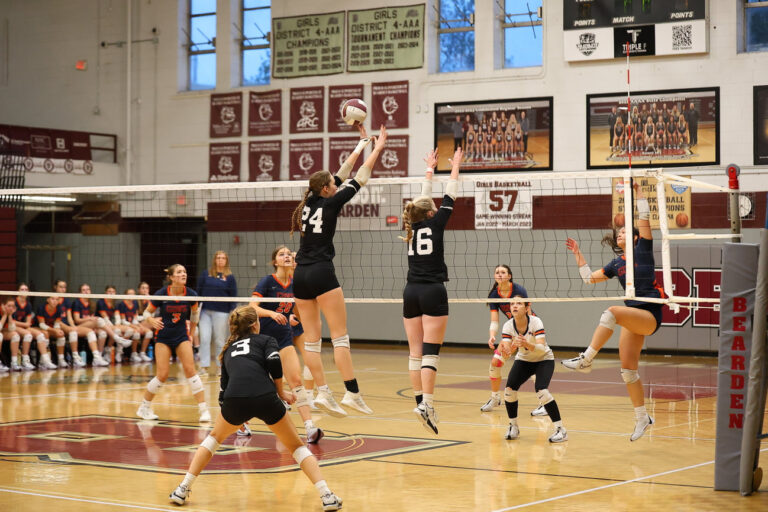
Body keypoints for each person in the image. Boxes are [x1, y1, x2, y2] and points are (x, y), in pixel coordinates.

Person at [168, 306, 342, 510]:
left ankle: (182, 488)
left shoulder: (228, 349)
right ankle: (326, 496)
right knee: (296, 447)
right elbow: (274, 362)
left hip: (234, 400)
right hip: (265, 397)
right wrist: (281, 393)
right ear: (255, 324)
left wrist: (235, 417)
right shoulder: (267, 340)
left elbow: (223, 390)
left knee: (213, 438)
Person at [290, 124, 387, 417]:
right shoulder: (332, 202)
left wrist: (361, 144)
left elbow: (340, 174)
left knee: (311, 341)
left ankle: (322, 392)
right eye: (332, 184)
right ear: (326, 189)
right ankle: (352, 393)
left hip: (300, 275)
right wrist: (377, 149)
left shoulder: (309, 200)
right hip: (321, 272)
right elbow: (360, 176)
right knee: (340, 337)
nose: (336, 184)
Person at [561, 184, 665, 441]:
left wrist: (638, 192)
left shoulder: (643, 248)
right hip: (632, 316)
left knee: (611, 313)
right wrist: (578, 254)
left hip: (649, 314)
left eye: (625, 231)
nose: (620, 234)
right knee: (628, 371)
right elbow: (588, 278)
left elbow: (644, 217)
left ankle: (586, 359)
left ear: (636, 237)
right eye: (619, 232)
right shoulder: (616, 263)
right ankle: (643, 418)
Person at [401, 146, 461, 435]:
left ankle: (419, 403)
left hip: (410, 292)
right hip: (433, 292)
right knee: (430, 353)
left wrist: (429, 169)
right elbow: (451, 194)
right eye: (433, 207)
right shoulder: (436, 222)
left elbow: (425, 200)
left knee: (415, 353)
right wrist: (455, 166)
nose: (438, 208)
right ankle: (427, 404)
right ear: (429, 212)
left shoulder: (412, 224)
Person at [250, 245, 324, 442]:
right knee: (256, 385)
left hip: (283, 338)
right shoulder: (267, 281)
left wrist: (294, 317)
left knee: (296, 381)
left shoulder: (295, 284)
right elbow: (252, 307)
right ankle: (242, 422)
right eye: (281, 254)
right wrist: (272, 313)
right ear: (275, 261)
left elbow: (297, 309)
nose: (287, 256)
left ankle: (309, 427)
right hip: (262, 340)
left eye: (289, 254)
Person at [136, 264, 211, 423]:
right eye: (179, 272)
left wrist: (191, 334)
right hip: (163, 337)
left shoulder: (191, 294)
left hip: (181, 336)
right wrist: (151, 320)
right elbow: (146, 312)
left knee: (191, 371)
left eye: (184, 272)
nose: (183, 274)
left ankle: (204, 410)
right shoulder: (162, 293)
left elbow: (194, 316)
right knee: (162, 375)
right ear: (171, 277)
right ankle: (144, 407)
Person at [498, 296, 567, 443]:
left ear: (527, 308)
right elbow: (507, 350)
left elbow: (541, 348)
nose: (514, 306)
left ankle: (561, 430)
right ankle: (513, 426)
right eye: (512, 304)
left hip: (544, 359)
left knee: (542, 391)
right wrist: (507, 350)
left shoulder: (536, 322)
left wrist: (526, 344)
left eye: (519, 303)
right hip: (524, 360)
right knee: (509, 390)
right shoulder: (508, 326)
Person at [480, 265, 545, 417]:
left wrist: (524, 338)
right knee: (496, 362)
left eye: (503, 272)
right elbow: (494, 320)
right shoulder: (494, 295)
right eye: (497, 272)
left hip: (529, 330)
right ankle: (495, 398)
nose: (500, 275)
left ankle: (544, 404)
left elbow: (528, 315)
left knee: (532, 366)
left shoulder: (519, 290)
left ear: (509, 276)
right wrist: (492, 335)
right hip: (512, 330)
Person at [197, 250, 238, 376]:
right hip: (205, 312)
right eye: (218, 258)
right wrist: (195, 310)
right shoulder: (206, 274)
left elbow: (233, 296)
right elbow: (198, 292)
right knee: (204, 338)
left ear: (226, 261)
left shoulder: (230, 277)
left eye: (223, 258)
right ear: (214, 260)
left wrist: (232, 313)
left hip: (222, 312)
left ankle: (220, 366)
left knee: (220, 340)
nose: (220, 260)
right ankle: (204, 367)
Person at [53, 280, 102, 368]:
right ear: (55, 287)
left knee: (90, 332)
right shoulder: (52, 299)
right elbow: (55, 320)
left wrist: (73, 326)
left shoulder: (67, 300)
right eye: (60, 287)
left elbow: (69, 318)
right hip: (56, 324)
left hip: (66, 325)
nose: (63, 289)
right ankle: (74, 358)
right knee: (72, 332)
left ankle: (97, 358)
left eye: (64, 287)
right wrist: (72, 328)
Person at [13, 284, 57, 370]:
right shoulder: (14, 303)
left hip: (23, 327)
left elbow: (28, 322)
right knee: (28, 335)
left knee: (40, 335)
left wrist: (25, 325)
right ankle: (25, 361)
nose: (24, 291)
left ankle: (45, 361)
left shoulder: (28, 304)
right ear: (18, 291)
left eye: (26, 289)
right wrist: (25, 324)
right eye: (22, 289)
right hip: (13, 327)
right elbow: (12, 322)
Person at [118, 288, 154, 363]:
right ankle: (130, 353)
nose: (132, 295)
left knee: (149, 332)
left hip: (132, 324)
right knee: (136, 333)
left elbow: (135, 319)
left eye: (133, 293)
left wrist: (139, 326)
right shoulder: (122, 304)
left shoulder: (135, 303)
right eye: (130, 293)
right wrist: (135, 326)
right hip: (124, 325)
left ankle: (142, 353)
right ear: (125, 295)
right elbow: (123, 321)